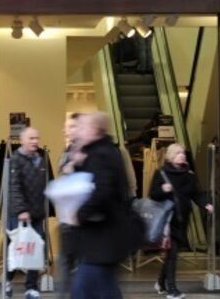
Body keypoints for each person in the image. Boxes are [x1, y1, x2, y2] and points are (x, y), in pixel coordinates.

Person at [70, 112, 135, 299]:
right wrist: (78, 163)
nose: (79, 131)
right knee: (104, 287)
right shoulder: (102, 151)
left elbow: (102, 190)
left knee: (83, 288)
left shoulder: (101, 154)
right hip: (106, 236)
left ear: (94, 129)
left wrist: (80, 214)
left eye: (82, 127)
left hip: (103, 235)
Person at [149, 143, 214, 299]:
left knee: (172, 252)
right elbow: (153, 194)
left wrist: (205, 204)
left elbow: (195, 194)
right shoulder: (162, 173)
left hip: (182, 218)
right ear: (171, 156)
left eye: (183, 153)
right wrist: (163, 190)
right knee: (172, 252)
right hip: (167, 219)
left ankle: (161, 283)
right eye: (178, 153)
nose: (182, 156)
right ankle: (172, 289)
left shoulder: (189, 175)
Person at [6, 127, 48, 299]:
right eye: (31, 138)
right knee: (17, 248)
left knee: (35, 250)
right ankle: (7, 280)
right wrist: (21, 210)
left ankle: (31, 287)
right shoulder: (15, 160)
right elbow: (14, 186)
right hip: (19, 214)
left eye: (36, 138)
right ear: (22, 140)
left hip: (36, 213)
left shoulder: (40, 160)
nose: (35, 141)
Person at [56, 112, 81, 299]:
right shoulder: (68, 150)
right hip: (68, 216)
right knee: (65, 261)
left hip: (85, 217)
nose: (66, 130)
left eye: (71, 126)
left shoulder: (91, 152)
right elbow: (61, 174)